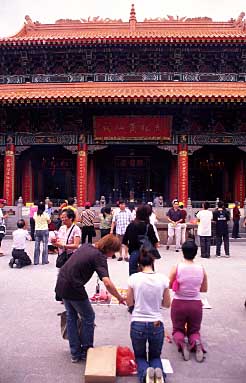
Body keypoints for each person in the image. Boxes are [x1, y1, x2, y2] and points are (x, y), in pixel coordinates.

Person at [55, 234, 126, 363]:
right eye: (112, 252)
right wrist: (119, 297)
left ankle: (75, 353)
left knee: (72, 317)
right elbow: (107, 283)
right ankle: (86, 350)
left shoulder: (86, 246)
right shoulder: (99, 257)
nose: (111, 256)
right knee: (88, 317)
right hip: (74, 288)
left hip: (61, 282)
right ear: (108, 249)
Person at [127, 245, 170, 383]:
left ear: (139, 264)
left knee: (139, 357)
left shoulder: (133, 278)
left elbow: (129, 302)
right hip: (156, 323)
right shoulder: (163, 279)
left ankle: (145, 373)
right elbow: (167, 304)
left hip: (137, 323)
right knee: (155, 356)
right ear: (153, 262)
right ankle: (159, 374)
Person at [169, 240, 208, 362]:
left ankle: (181, 343)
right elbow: (204, 289)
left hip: (179, 303)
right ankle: (196, 341)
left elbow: (169, 285)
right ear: (196, 253)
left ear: (183, 252)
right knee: (194, 330)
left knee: (178, 329)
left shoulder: (177, 267)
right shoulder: (201, 269)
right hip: (195, 304)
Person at [123, 204, 158, 275]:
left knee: (133, 278)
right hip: (147, 254)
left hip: (134, 254)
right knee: (149, 276)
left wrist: (126, 254)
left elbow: (125, 241)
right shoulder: (149, 226)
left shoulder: (131, 226)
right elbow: (155, 242)